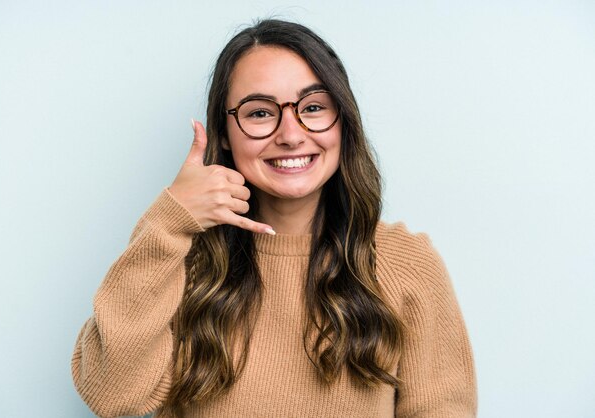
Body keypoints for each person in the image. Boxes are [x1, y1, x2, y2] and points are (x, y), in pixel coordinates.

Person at [71, 19, 477, 418]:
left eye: (313, 107)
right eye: (260, 113)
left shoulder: (406, 264)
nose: (290, 133)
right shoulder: (182, 260)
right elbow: (111, 395)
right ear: (225, 133)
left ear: (343, 122)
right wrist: (169, 221)